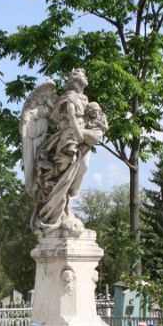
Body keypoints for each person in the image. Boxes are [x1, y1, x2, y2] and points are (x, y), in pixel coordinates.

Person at [34, 69, 105, 232]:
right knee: (65, 171)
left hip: (82, 139)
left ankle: (64, 209)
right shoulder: (69, 97)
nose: (86, 78)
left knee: (83, 167)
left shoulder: (85, 99)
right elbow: (72, 117)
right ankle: (56, 212)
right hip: (70, 136)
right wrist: (80, 134)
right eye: (82, 76)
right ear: (76, 81)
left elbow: (90, 118)